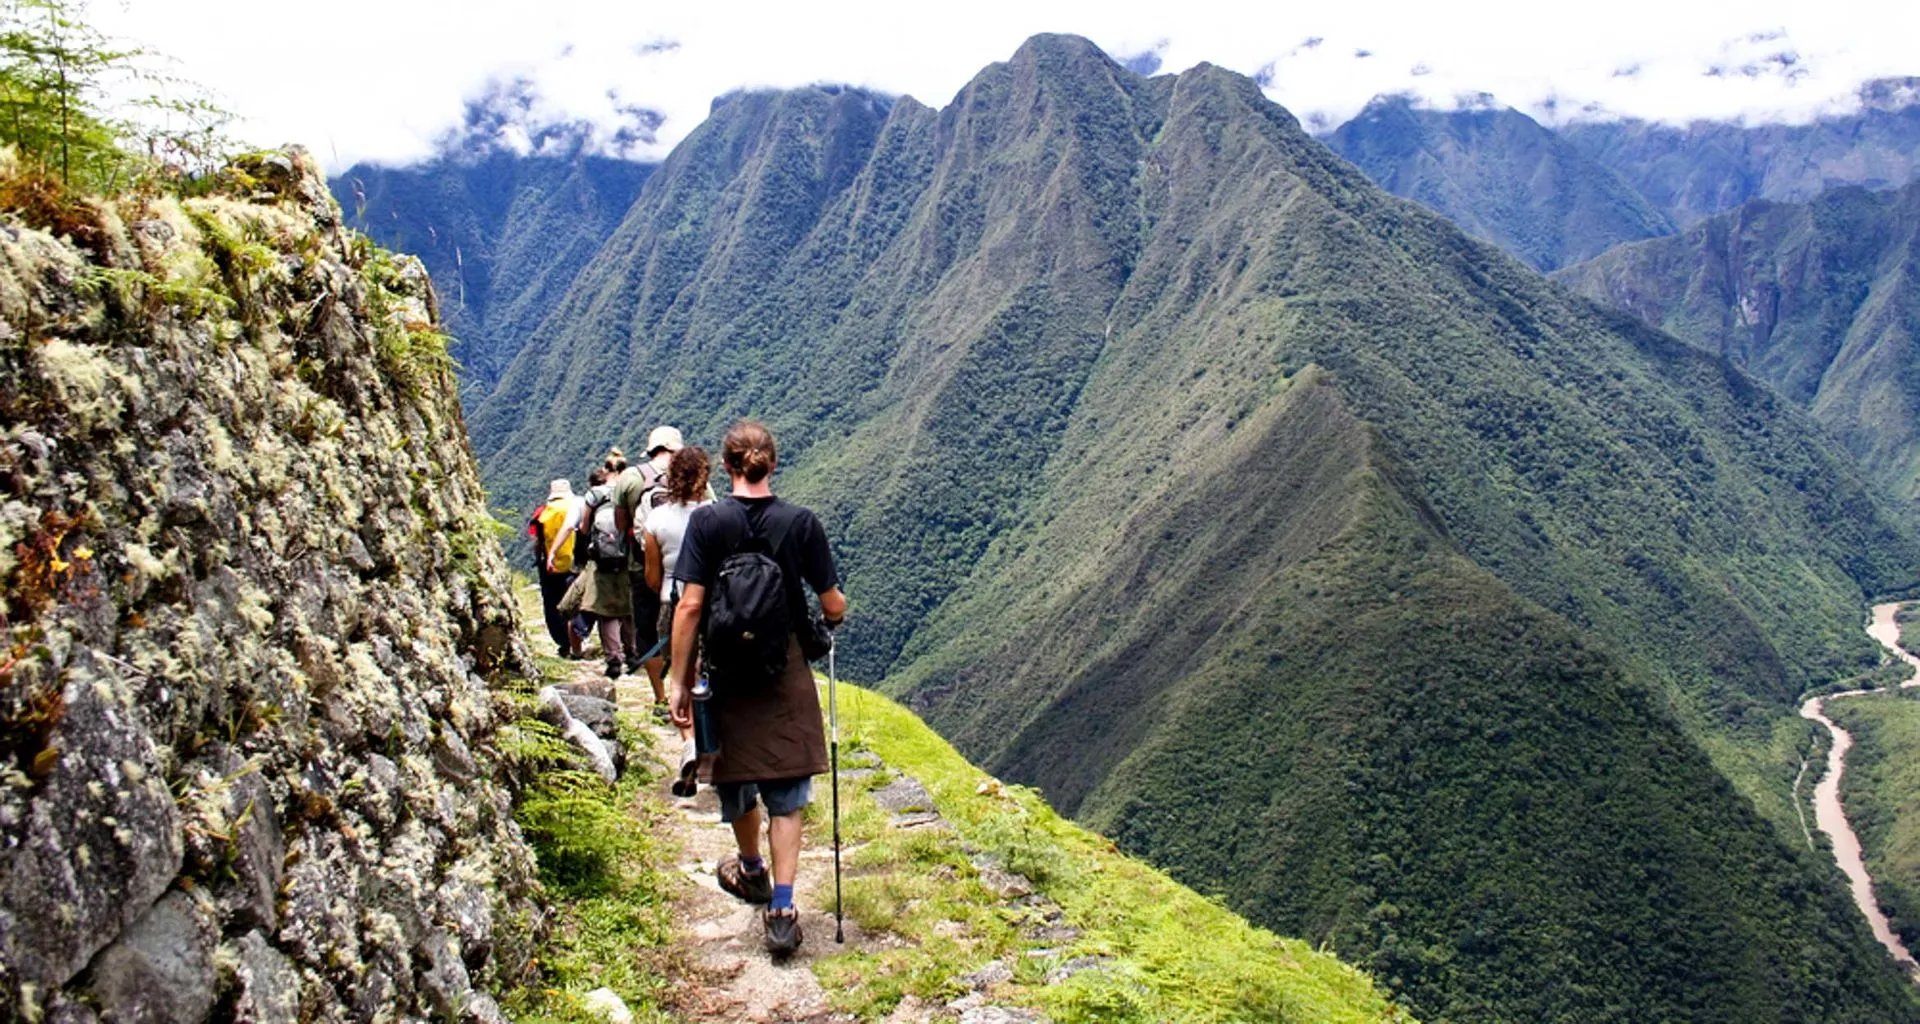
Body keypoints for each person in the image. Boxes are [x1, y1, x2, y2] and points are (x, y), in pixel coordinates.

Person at [669, 420, 845, 957]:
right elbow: (832, 602)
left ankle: (751, 869)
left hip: (725, 669)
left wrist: (679, 681)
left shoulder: (707, 522)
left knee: (737, 776)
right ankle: (784, 911)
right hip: (782, 666)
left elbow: (690, 606)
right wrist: (830, 621)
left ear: (725, 467)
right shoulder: (801, 523)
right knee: (786, 792)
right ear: (773, 464)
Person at [643, 446, 712, 795]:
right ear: (705, 477)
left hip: (672, 603)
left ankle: (689, 742)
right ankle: (713, 745)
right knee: (709, 673)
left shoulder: (656, 520)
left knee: (682, 675)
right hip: (713, 604)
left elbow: (652, 576)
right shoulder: (715, 515)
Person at [616, 427, 681, 688]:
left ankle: (660, 695)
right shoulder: (690, 474)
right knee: (685, 626)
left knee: (647, 629)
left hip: (641, 564)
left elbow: (621, 523)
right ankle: (684, 688)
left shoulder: (631, 477)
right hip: (684, 568)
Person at [570, 466, 634, 677]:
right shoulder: (629, 490)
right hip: (627, 558)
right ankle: (632, 652)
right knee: (628, 608)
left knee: (606, 612)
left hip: (602, 562)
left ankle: (614, 659)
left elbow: (584, 528)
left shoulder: (595, 495)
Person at [528, 479, 583, 658]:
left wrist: (540, 558)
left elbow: (536, 540)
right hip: (574, 564)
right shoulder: (577, 508)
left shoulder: (542, 512)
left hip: (550, 566)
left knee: (552, 604)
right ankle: (577, 642)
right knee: (574, 604)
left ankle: (563, 643)